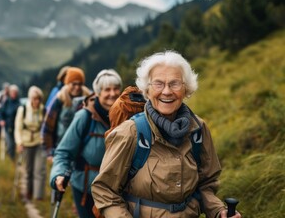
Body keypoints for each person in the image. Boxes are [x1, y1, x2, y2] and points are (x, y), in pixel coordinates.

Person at [92, 51, 242, 218]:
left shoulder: (198, 129)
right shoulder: (130, 133)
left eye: (174, 83)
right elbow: (105, 190)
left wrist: (217, 211)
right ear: (146, 90)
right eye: (158, 84)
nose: (166, 91)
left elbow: (206, 184)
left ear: (186, 89)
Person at [50, 69, 122, 218]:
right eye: (107, 89)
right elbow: (64, 152)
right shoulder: (84, 117)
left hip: (116, 191)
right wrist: (58, 174)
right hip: (86, 190)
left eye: (116, 89)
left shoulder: (125, 116)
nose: (112, 93)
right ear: (97, 93)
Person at [41, 67, 91, 162]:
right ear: (68, 83)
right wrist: (49, 152)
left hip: (83, 150)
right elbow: (47, 127)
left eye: (80, 84)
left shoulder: (89, 98)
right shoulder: (59, 99)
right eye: (74, 84)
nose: (77, 87)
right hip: (61, 149)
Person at [14, 86, 46, 200]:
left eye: (38, 99)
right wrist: (19, 142)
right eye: (34, 99)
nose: (36, 101)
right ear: (30, 99)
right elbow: (17, 128)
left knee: (39, 169)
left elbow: (45, 127)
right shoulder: (23, 109)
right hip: (26, 142)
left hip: (39, 142)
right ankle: (28, 192)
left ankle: (38, 195)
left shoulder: (43, 109)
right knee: (28, 170)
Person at [0, 84, 21, 161]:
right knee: (10, 144)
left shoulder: (19, 104)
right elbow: (0, 112)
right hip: (8, 127)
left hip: (17, 127)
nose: (13, 94)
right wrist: (1, 120)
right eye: (12, 92)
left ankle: (15, 159)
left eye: (15, 92)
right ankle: (12, 160)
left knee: (15, 144)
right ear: (10, 93)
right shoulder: (6, 102)